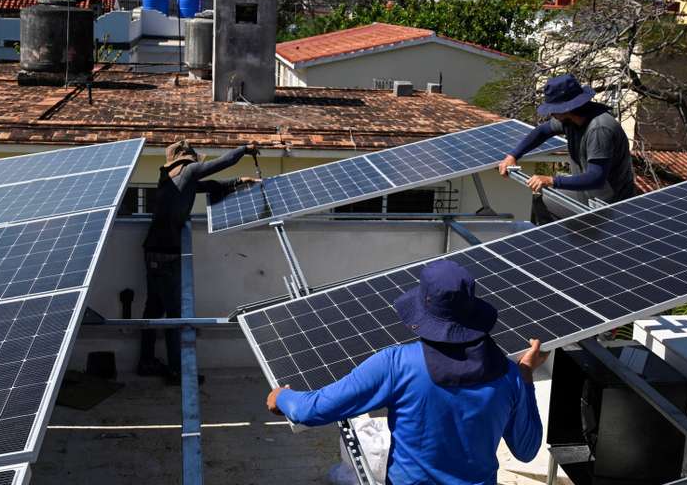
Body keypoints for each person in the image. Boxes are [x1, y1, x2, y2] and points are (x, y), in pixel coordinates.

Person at [265, 260, 548, 485]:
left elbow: (313, 410)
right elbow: (527, 450)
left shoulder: (397, 365)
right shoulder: (509, 375)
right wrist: (525, 376)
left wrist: (282, 398)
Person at [139, 139, 259, 381]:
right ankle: (177, 371)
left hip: (153, 251)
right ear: (187, 158)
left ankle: (146, 361)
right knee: (174, 315)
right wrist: (244, 149)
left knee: (153, 309)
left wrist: (237, 182)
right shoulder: (188, 172)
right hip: (165, 255)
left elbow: (210, 185)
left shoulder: (174, 178)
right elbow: (221, 163)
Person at [498, 73, 636, 223]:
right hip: (588, 197)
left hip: (612, 205)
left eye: (553, 109)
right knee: (543, 199)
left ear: (566, 109)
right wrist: (513, 155)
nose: (551, 113)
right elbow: (542, 131)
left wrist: (551, 180)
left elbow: (596, 177)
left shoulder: (599, 129)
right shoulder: (570, 121)